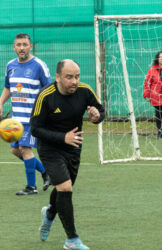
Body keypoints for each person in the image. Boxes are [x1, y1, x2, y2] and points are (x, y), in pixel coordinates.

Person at [30, 59, 105, 249]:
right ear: (57, 77)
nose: (74, 81)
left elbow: (101, 111)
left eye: (77, 76)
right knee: (65, 188)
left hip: (74, 146)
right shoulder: (45, 96)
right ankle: (72, 240)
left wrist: (97, 116)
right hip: (50, 148)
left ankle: (49, 214)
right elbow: (35, 129)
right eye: (69, 77)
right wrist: (63, 137)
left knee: (64, 188)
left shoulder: (85, 91)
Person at [0, 33, 51, 195]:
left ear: (31, 46)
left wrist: (46, 113)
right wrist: (0, 102)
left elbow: (49, 90)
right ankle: (46, 172)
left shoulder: (39, 66)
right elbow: (8, 87)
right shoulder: (10, 66)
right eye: (18, 45)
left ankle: (31, 187)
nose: (22, 48)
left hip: (33, 117)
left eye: (24, 45)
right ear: (14, 47)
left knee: (25, 148)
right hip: (16, 119)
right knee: (15, 151)